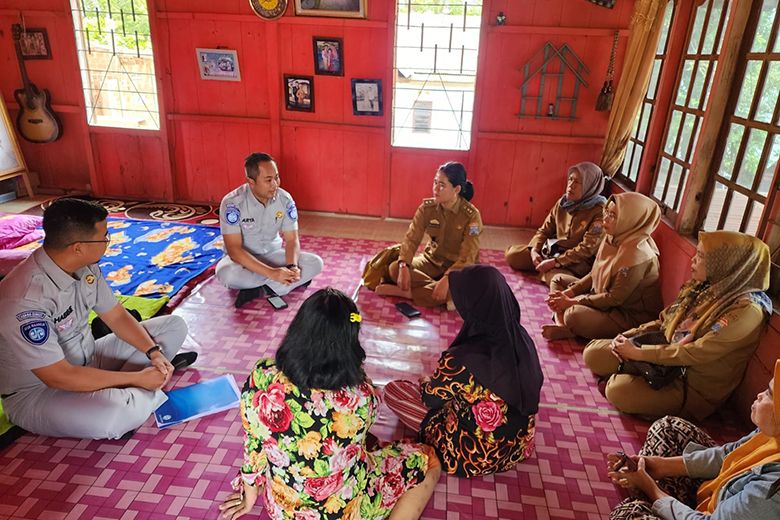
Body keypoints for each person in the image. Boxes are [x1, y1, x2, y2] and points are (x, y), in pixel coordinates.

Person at [218, 288, 440, 520]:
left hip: (283, 511)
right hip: (343, 513)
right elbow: (363, 429)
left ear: (297, 331)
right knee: (427, 458)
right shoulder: (362, 397)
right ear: (350, 343)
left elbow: (254, 442)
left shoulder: (262, 376)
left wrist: (250, 491)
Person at [0, 198, 195, 440]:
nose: (107, 242)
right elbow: (58, 376)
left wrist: (153, 352)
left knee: (173, 326)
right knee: (116, 414)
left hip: (90, 359)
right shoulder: (25, 300)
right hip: (40, 392)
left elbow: (116, 316)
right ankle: (141, 385)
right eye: (104, 236)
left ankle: (143, 382)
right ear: (78, 246)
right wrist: (136, 378)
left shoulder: (85, 266)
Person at [583, 230, 772, 420]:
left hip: (688, 384)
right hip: (662, 356)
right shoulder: (705, 287)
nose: (693, 260)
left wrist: (639, 353)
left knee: (618, 391)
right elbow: (664, 320)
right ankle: (632, 376)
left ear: (726, 265)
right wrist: (628, 336)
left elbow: (696, 352)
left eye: (701, 256)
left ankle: (630, 381)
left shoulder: (746, 311)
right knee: (593, 354)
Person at [384, 265, 543, 477]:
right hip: (516, 449)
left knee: (395, 391)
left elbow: (431, 400)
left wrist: (425, 381)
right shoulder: (523, 342)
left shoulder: (461, 360)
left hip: (468, 457)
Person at [605, 359, 780, 519]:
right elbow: (728, 454)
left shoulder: (773, 491)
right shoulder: (773, 434)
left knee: (628, 515)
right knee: (668, 428)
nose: (759, 395)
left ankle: (647, 494)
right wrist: (660, 465)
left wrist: (651, 489)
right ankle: (648, 487)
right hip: (715, 495)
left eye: (770, 394)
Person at [543, 192, 663, 340]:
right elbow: (594, 274)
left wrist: (572, 301)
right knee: (558, 280)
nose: (605, 218)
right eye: (606, 211)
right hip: (600, 298)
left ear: (630, 220)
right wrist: (568, 294)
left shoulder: (638, 255)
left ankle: (568, 324)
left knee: (573, 314)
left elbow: (614, 299)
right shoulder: (613, 237)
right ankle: (563, 327)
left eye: (613, 215)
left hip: (625, 317)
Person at [366, 161, 482, 308]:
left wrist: (448, 277)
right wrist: (403, 265)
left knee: (466, 289)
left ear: (457, 189)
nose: (436, 189)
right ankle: (439, 294)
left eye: (442, 185)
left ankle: (406, 293)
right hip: (431, 261)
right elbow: (411, 239)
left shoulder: (471, 216)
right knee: (394, 269)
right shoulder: (427, 209)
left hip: (457, 267)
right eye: (435, 183)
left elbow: (469, 255)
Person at [216, 152, 323, 308]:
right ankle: (279, 285)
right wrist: (272, 273)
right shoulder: (232, 203)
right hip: (242, 261)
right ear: (251, 182)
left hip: (273, 255)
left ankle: (259, 289)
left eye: (277, 177)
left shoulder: (285, 199)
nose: (275, 184)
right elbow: (234, 250)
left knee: (315, 263)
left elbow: (292, 239)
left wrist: (292, 266)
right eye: (268, 180)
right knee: (228, 275)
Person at [505, 162, 606, 285]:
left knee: (556, 280)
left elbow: (586, 249)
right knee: (513, 255)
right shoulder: (563, 203)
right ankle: (545, 269)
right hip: (551, 251)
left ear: (590, 186)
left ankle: (553, 273)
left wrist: (556, 262)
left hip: (573, 262)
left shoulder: (599, 212)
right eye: (570, 179)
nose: (571, 186)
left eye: (577, 182)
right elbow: (544, 230)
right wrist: (535, 251)